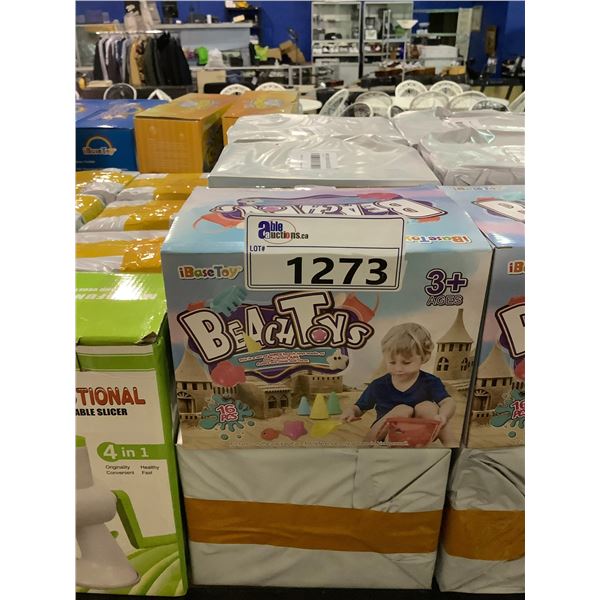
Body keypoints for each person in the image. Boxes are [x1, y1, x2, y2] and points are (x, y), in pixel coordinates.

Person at [340, 323, 457, 446]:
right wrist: (351, 411)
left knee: (427, 407)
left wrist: (443, 416)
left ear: (424, 357)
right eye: (392, 362)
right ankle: (366, 448)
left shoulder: (430, 382)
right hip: (384, 434)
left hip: (418, 433)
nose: (398, 368)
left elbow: (447, 402)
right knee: (403, 410)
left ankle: (452, 446)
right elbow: (359, 408)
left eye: (406, 363)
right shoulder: (379, 385)